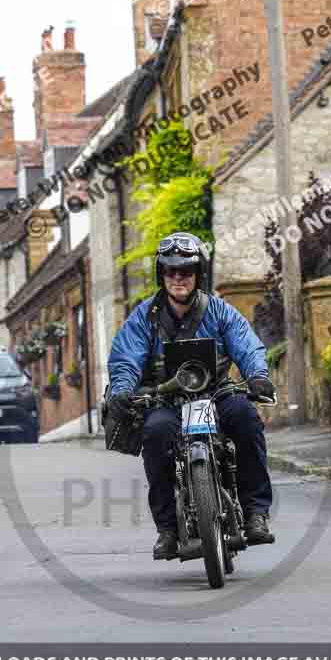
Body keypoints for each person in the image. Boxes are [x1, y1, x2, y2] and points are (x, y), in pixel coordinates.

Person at [107, 232, 276, 560]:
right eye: (171, 271)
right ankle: (167, 530)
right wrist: (123, 389)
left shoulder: (220, 312)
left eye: (186, 270)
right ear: (162, 275)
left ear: (199, 274)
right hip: (166, 400)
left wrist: (257, 376)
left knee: (246, 418)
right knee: (155, 435)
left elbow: (245, 342)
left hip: (217, 395)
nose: (178, 277)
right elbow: (127, 357)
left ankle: (256, 513)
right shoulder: (144, 318)